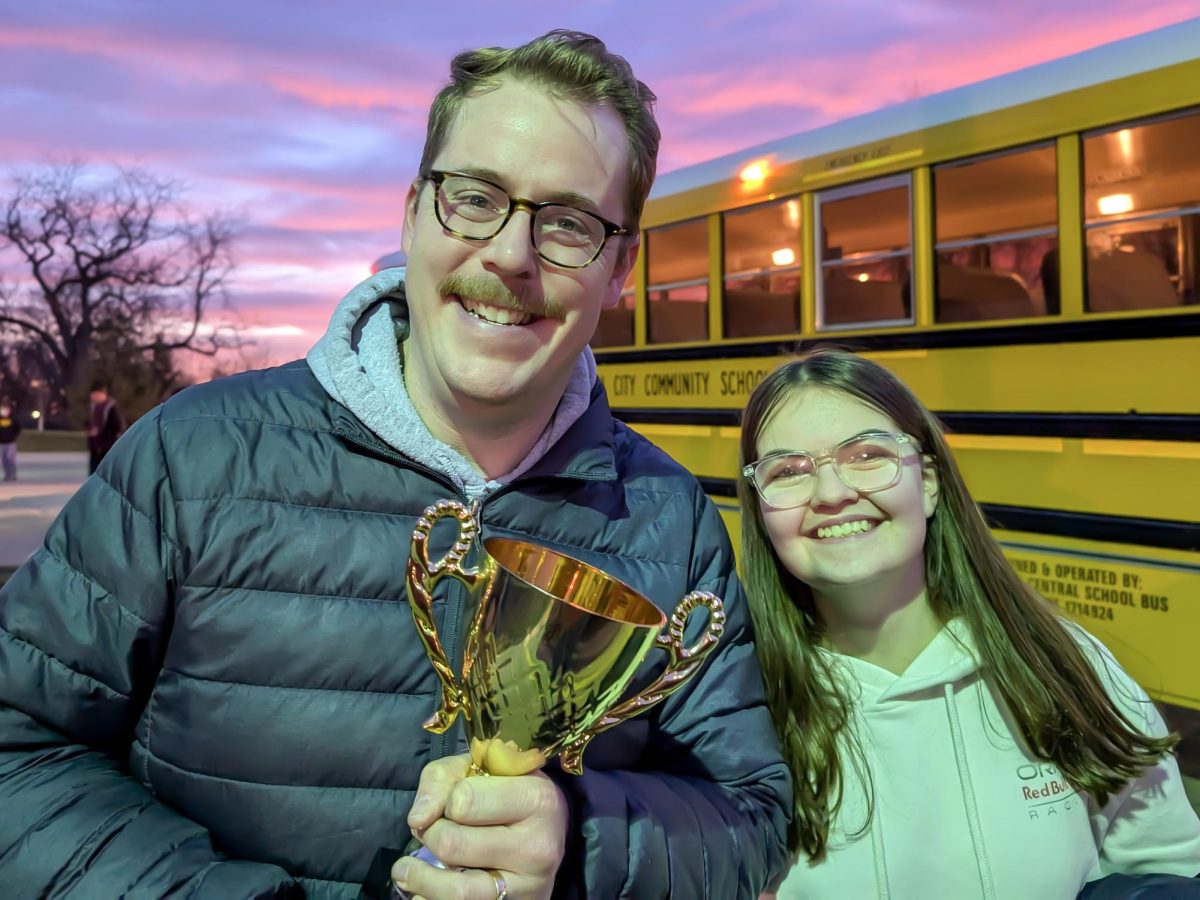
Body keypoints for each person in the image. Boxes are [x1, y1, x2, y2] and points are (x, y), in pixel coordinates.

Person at [0, 30, 790, 900]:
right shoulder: (191, 458)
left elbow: (753, 816)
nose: (511, 256)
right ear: (414, 211)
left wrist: (580, 840)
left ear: (621, 269)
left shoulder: (669, 522)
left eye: (568, 223)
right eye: (476, 198)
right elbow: (17, 745)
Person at [737, 348, 1200, 899]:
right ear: (762, 512)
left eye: (866, 454)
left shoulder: (1063, 667)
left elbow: (1163, 869)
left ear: (928, 482)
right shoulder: (734, 706)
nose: (833, 493)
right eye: (787, 471)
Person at [86, 379, 124, 474]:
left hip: (107, 446)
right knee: (94, 471)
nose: (93, 398)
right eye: (92, 395)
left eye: (96, 395)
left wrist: (102, 434)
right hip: (95, 446)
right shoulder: (93, 407)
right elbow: (91, 423)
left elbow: (118, 426)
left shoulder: (111, 408)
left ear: (102, 394)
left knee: (106, 471)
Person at [0, 401, 19, 481]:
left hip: (10, 442)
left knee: (10, 459)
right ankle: (7, 475)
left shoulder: (13, 418)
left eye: (6, 409)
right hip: (1, 443)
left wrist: (13, 436)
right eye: (3, 409)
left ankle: (12, 474)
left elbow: (18, 428)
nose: (4, 411)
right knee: (4, 460)